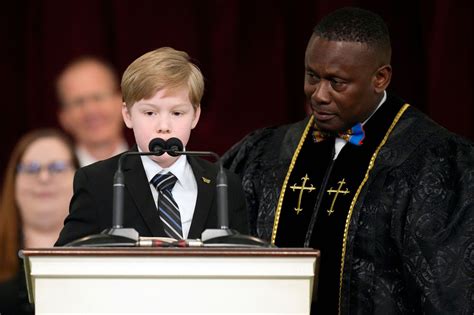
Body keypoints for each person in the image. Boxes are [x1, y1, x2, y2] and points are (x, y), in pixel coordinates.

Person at [222, 7, 473, 314]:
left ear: (380, 78)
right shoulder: (266, 152)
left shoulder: (433, 163)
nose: (319, 95)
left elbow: (450, 291)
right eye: (312, 77)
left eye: (337, 82)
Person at [55, 47, 249, 246]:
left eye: (177, 113)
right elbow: (66, 258)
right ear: (128, 115)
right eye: (150, 113)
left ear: (195, 115)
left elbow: (248, 263)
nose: (164, 127)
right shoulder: (97, 182)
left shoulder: (224, 184)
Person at [0, 129, 79, 315]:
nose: (43, 178)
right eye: (31, 169)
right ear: (14, 182)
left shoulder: (103, 259)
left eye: (57, 168)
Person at [56, 56, 128, 166]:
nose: (90, 110)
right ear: (64, 117)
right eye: (78, 102)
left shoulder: (158, 167)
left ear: (121, 102)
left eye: (98, 97)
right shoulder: (54, 180)